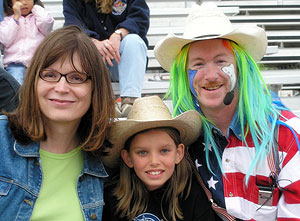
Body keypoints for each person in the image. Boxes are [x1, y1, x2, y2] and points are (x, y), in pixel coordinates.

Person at [154, 3, 300, 220]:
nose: (211, 75)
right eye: (198, 64)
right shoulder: (185, 139)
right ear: (185, 76)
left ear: (240, 68)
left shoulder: (286, 133)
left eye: (221, 62)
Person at [0, 25, 115, 220]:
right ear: (34, 81)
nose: (61, 88)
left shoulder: (106, 159)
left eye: (76, 78)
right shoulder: (2, 141)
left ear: (95, 88)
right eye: (50, 75)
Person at [101, 95, 216, 221]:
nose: (154, 162)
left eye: (164, 151)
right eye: (142, 152)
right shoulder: (111, 198)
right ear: (127, 158)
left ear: (178, 153)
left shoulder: (193, 196)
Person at [63, 0, 150, 117]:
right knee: (83, 46)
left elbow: (140, 17)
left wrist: (118, 34)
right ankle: (105, 102)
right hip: (92, 65)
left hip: (123, 62)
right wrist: (93, 42)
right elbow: (72, 24)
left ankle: (131, 101)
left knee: (134, 40)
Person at [0, 0, 54, 84]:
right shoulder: (8, 21)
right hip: (16, 64)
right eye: (18, 0)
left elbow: (46, 22)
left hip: (38, 64)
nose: (24, 2)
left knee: (39, 85)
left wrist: (35, 7)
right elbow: (5, 39)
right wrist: (16, 17)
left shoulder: (38, 18)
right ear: (11, 3)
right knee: (16, 84)